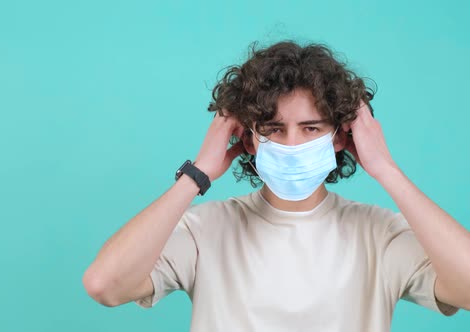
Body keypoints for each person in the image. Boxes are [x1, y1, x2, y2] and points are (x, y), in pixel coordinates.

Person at [83, 40, 469, 331]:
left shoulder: (379, 235)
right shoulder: (206, 230)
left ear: (339, 137)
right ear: (248, 139)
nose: (292, 144)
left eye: (310, 128)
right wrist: (197, 174)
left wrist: (386, 169)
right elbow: (104, 284)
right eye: (273, 129)